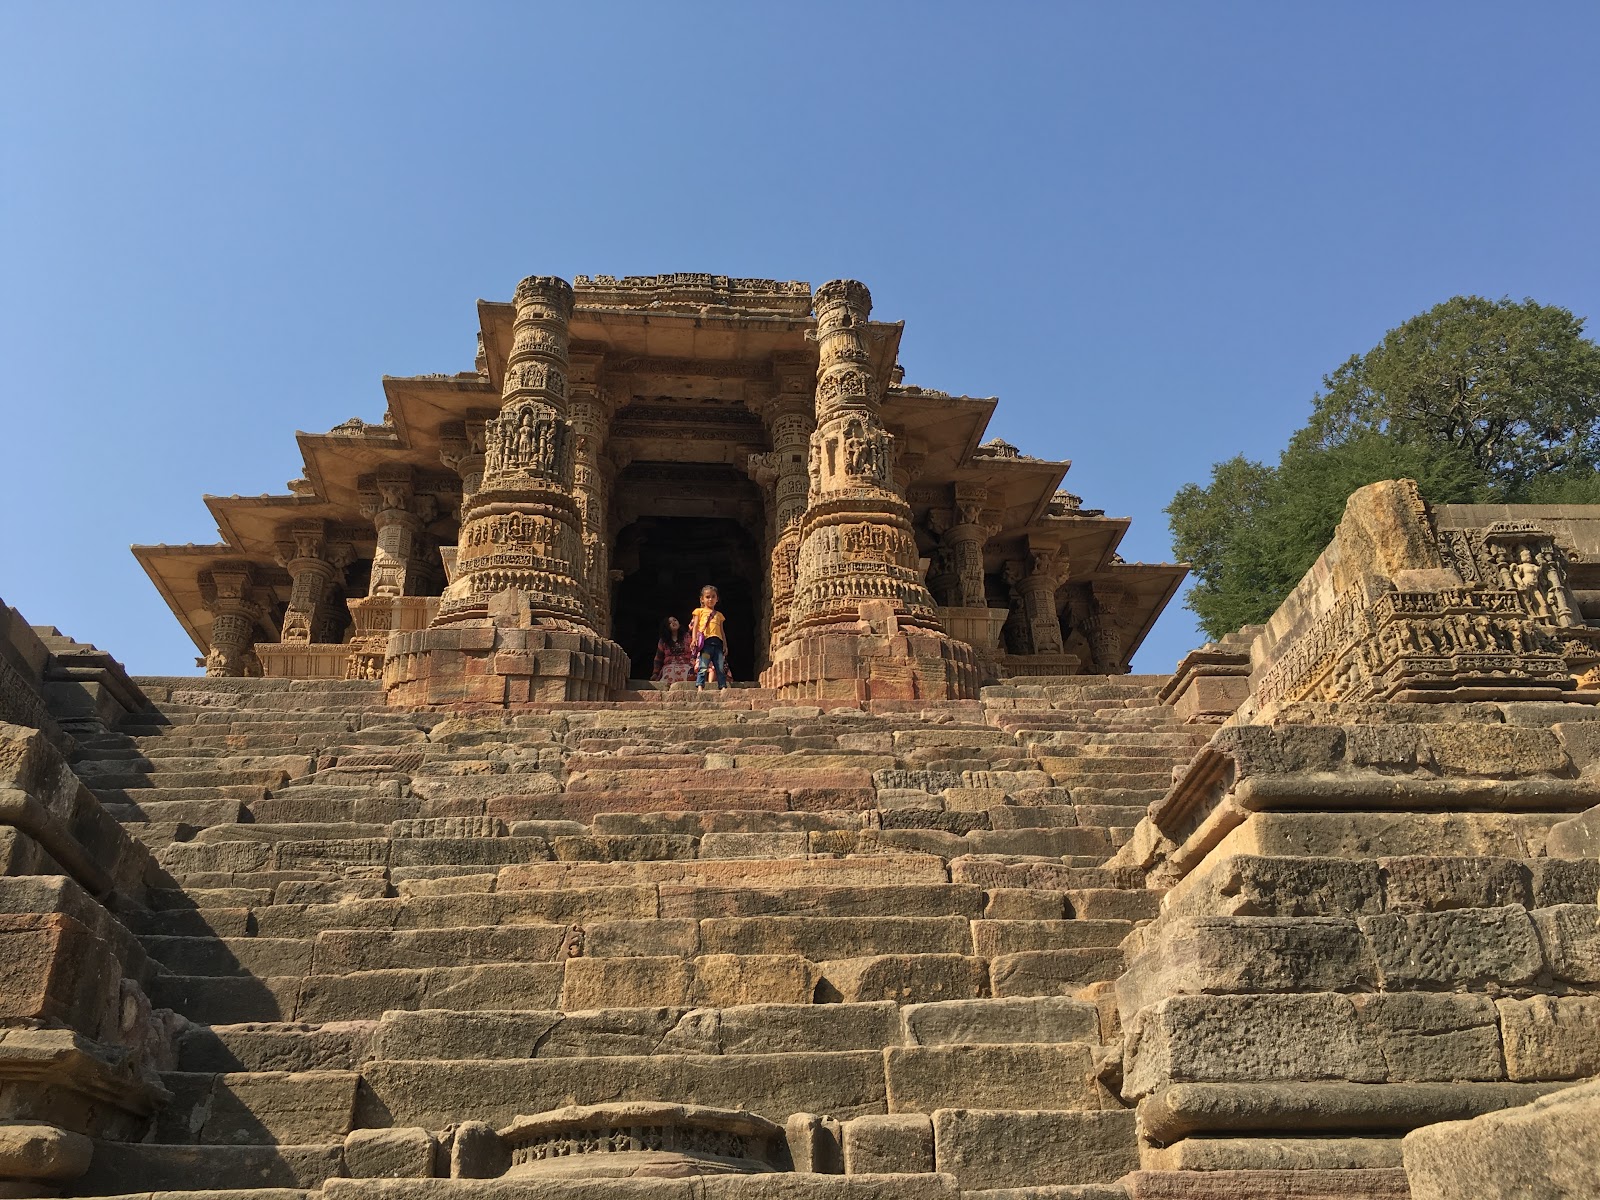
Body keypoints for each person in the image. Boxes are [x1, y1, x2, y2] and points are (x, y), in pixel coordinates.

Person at [688, 584, 729, 691]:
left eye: (713, 596)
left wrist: (725, 644)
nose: (710, 599)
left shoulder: (719, 615)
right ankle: (700, 686)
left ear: (717, 599)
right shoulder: (699, 611)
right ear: (702, 599)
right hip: (706, 644)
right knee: (703, 665)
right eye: (707, 597)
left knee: (719, 667)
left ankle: (722, 686)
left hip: (718, 643)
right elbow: (695, 626)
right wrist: (694, 639)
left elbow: (722, 631)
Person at [651, 616, 696, 684]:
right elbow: (658, 658)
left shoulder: (688, 637)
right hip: (669, 666)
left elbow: (694, 651)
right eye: (670, 623)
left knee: (686, 672)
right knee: (670, 671)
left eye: (675, 620)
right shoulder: (663, 641)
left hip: (686, 665)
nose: (673, 623)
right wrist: (655, 673)